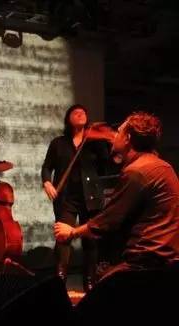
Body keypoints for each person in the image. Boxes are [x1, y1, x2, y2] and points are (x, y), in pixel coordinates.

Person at [54, 112, 179, 280]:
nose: (114, 135)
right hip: (169, 260)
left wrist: (71, 232)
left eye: (118, 132)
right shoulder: (163, 166)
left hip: (146, 262)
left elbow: (107, 222)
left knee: (102, 285)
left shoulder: (136, 172)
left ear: (128, 138)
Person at [42, 104, 115, 290]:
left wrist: (104, 139)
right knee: (63, 237)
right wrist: (47, 182)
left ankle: (90, 281)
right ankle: (60, 281)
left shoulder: (94, 143)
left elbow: (106, 164)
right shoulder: (58, 143)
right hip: (66, 197)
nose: (81, 113)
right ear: (68, 119)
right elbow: (47, 167)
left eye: (83, 112)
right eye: (76, 112)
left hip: (90, 196)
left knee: (90, 238)